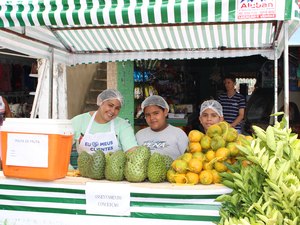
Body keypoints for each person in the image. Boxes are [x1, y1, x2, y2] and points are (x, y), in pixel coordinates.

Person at [71, 89, 138, 156]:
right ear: (101, 102)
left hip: (115, 166)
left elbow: (132, 152)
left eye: (117, 108)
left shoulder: (123, 125)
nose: (113, 111)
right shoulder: (79, 121)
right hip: (85, 166)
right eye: (110, 105)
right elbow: (62, 145)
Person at [135, 95, 188, 160]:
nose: (152, 118)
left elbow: (187, 159)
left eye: (156, 113)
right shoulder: (139, 135)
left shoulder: (178, 134)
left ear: (165, 112)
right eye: (148, 115)